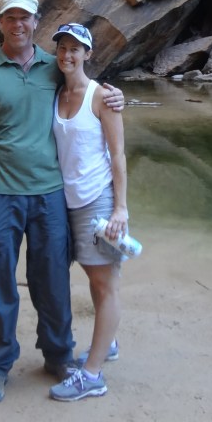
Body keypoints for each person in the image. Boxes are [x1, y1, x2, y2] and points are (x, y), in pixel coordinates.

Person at [0, 0, 124, 404]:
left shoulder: (54, 66)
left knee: (52, 280)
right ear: (0, 22)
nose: (18, 25)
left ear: (36, 24)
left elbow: (90, 92)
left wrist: (117, 95)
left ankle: (58, 355)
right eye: (10, 18)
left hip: (51, 195)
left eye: (26, 18)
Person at [47, 22, 129, 402]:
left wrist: (121, 209)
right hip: (68, 202)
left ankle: (92, 375)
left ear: (88, 54)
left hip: (98, 202)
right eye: (63, 47)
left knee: (104, 283)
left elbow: (118, 156)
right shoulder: (56, 93)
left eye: (76, 49)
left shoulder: (103, 97)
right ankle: (106, 343)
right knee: (94, 279)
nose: (68, 54)